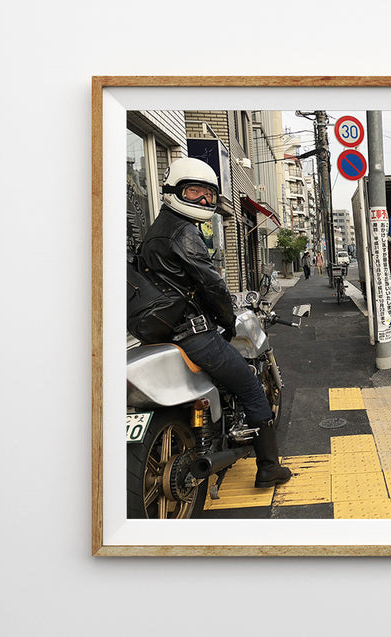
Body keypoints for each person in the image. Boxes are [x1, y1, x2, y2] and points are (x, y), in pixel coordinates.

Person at [139, 157, 291, 488]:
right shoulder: (183, 232)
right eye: (194, 191)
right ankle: (268, 467)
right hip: (193, 334)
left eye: (208, 194)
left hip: (163, 333)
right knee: (251, 385)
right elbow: (212, 285)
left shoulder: (153, 233)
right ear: (173, 191)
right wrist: (226, 320)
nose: (204, 201)